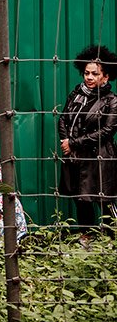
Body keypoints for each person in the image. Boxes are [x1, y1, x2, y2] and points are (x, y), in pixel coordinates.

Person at [57, 45, 117, 238]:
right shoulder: (76, 94)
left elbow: (107, 131)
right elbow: (63, 118)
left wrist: (73, 143)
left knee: (104, 201)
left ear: (105, 77)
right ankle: (87, 239)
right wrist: (66, 140)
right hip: (76, 158)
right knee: (81, 200)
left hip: (99, 158)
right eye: (86, 73)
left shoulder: (111, 101)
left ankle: (110, 240)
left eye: (95, 74)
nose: (89, 77)